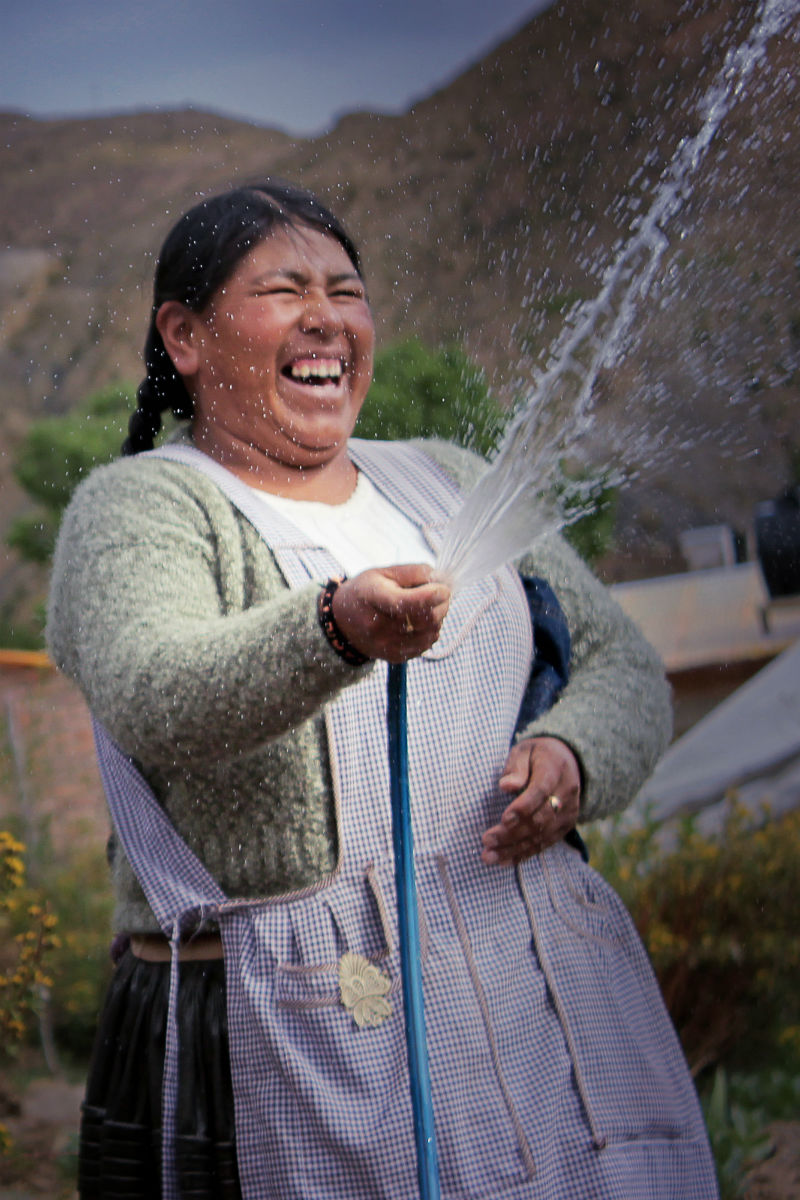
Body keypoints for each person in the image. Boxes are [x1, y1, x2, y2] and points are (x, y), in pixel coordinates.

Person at [47, 182, 718, 1199]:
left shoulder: (447, 477)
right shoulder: (143, 507)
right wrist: (332, 628)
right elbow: (153, 691)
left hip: (536, 992)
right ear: (184, 336)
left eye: (346, 291)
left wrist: (574, 754)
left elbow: (619, 663)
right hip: (286, 1034)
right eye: (285, 291)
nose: (327, 317)